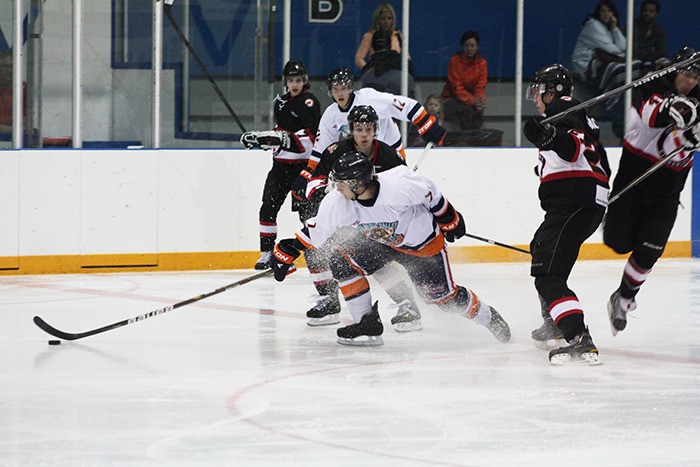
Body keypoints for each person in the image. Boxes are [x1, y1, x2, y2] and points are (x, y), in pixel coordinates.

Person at [270, 150, 512, 346]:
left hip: (422, 247)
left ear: (357, 184)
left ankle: (489, 318)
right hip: (382, 243)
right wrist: (288, 251)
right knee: (341, 259)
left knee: (443, 300)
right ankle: (367, 323)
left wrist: (449, 219)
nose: (336, 189)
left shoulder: (398, 185)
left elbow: (432, 194)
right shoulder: (339, 201)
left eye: (341, 184)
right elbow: (318, 232)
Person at [289, 68, 447, 321]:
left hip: (386, 171)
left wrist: (427, 124)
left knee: (375, 248)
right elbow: (322, 152)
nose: (340, 93)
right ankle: (329, 299)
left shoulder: (371, 101)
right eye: (335, 89)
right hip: (355, 178)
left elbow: (405, 105)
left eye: (344, 87)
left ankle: (407, 302)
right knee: (324, 244)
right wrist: (308, 177)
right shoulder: (331, 118)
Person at [604, 46, 700, 336]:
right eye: (686, 72)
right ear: (674, 70)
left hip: (667, 192)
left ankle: (624, 298)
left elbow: (683, 134)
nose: (691, 80)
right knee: (618, 242)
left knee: (650, 249)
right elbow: (650, 115)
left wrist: (692, 135)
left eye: (696, 75)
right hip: (633, 181)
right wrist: (674, 110)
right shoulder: (652, 85)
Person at [302, 104, 423, 331]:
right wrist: (320, 193)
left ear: (375, 129)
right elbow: (315, 178)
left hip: (375, 221)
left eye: (368, 128)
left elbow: (404, 186)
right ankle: (329, 300)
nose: (364, 134)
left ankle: (407, 305)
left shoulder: (387, 154)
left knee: (375, 259)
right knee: (314, 250)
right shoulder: (336, 150)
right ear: (351, 130)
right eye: (359, 129)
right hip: (343, 215)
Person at [523, 64, 611, 365]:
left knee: (547, 275)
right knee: (540, 249)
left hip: (573, 202)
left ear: (554, 91)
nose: (536, 97)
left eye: (540, 90)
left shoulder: (565, 108)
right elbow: (600, 164)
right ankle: (555, 322)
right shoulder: (578, 119)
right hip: (582, 201)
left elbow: (570, 146)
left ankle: (577, 337)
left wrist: (549, 138)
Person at [240, 60, 321, 270]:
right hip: (279, 168)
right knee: (268, 208)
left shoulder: (310, 102)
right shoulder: (280, 102)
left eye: (298, 80)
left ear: (305, 81)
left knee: (307, 214)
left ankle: (317, 254)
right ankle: (266, 253)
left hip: (302, 169)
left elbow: (311, 139)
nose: (295, 84)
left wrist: (279, 139)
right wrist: (263, 140)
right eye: (291, 80)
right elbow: (279, 134)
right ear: (286, 82)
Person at [571, 0, 643, 137]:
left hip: (602, 62)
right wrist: (623, 56)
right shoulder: (593, 26)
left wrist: (615, 27)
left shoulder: (608, 28)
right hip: (586, 65)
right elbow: (612, 49)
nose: (606, 14)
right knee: (621, 71)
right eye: (603, 11)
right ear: (598, 13)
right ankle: (616, 106)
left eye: (609, 11)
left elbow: (623, 46)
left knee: (630, 68)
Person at [440, 31, 487, 131]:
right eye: (467, 46)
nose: (469, 49)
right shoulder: (454, 61)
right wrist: (473, 101)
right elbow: (456, 88)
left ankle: (475, 141)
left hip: (471, 101)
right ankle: (467, 140)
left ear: (477, 47)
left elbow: (480, 86)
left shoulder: (482, 63)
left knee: (478, 112)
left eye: (472, 46)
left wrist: (480, 102)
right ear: (462, 46)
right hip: (451, 99)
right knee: (467, 111)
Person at [359, 29, 417, 98]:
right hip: (402, 104)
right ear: (390, 44)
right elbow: (413, 86)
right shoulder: (403, 62)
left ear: (372, 46)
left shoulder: (366, 71)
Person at [354, 3, 407, 71]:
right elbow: (359, 58)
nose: (386, 22)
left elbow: (406, 58)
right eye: (383, 18)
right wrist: (369, 71)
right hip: (376, 76)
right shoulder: (369, 36)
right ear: (377, 19)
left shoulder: (398, 35)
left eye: (389, 18)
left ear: (393, 19)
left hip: (395, 76)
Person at [632, 0, 668, 67]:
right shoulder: (631, 27)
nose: (647, 13)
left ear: (656, 14)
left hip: (653, 62)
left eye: (651, 11)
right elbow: (633, 53)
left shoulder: (659, 29)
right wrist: (651, 49)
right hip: (634, 63)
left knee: (666, 63)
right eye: (645, 10)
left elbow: (663, 52)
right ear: (641, 11)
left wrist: (647, 56)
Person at [0, 50, 26, 136]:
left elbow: (27, 116)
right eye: (5, 66)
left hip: (15, 136)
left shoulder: (22, 87)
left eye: (12, 66)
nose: (9, 70)